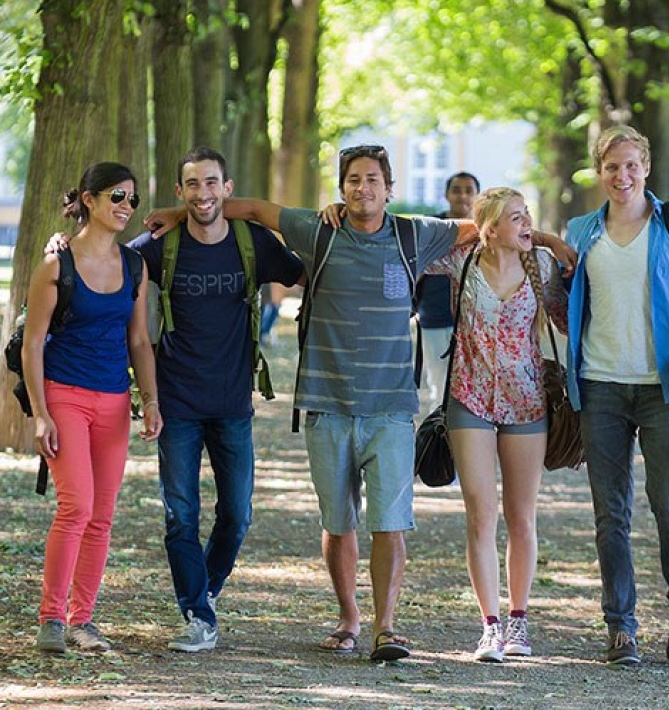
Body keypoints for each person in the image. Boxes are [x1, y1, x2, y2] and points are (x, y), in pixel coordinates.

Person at [145, 144, 577, 661]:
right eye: (353, 180)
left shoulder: (413, 234)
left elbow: (479, 226)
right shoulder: (318, 230)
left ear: (389, 189)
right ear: (342, 187)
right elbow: (258, 210)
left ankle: (386, 626)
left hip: (392, 405)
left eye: (373, 180)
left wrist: (544, 237)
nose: (363, 188)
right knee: (338, 522)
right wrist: (186, 211)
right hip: (326, 402)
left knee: (390, 521)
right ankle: (349, 618)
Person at [130, 146, 305, 653]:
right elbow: (108, 265)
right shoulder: (160, 247)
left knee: (237, 514)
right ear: (180, 192)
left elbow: (309, 274)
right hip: (177, 401)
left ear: (227, 190)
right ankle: (199, 615)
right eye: (193, 185)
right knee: (179, 515)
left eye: (212, 184)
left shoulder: (253, 243)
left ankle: (202, 592)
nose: (203, 194)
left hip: (232, 402)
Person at [564, 125, 669, 666]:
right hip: (601, 385)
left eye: (631, 164)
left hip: (666, 388)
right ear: (599, 172)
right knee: (610, 514)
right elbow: (568, 305)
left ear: (647, 167)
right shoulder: (582, 230)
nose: (622, 175)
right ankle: (621, 627)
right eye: (612, 166)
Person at [24, 162, 163, 654]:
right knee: (76, 505)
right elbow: (32, 345)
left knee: (102, 514)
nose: (126, 207)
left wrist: (149, 400)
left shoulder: (134, 266)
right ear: (89, 199)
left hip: (114, 401)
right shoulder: (56, 265)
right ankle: (51, 619)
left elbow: (140, 341)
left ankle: (83, 619)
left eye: (132, 199)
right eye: (117, 198)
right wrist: (40, 413)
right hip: (65, 395)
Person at [425, 187, 568, 662]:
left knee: (521, 517)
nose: (527, 224)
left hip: (527, 402)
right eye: (515, 218)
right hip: (469, 398)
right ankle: (489, 626)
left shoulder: (541, 268)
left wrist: (551, 246)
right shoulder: (459, 261)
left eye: (528, 215)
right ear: (488, 228)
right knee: (480, 515)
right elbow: (410, 244)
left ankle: (519, 622)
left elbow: (568, 322)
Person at [416, 172, 480, 402]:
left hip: (475, 321)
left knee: (475, 386)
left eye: (468, 190)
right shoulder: (431, 227)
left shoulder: (486, 231)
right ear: (446, 194)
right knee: (440, 383)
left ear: (477, 196)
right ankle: (439, 435)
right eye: (456, 189)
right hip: (435, 316)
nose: (462, 195)